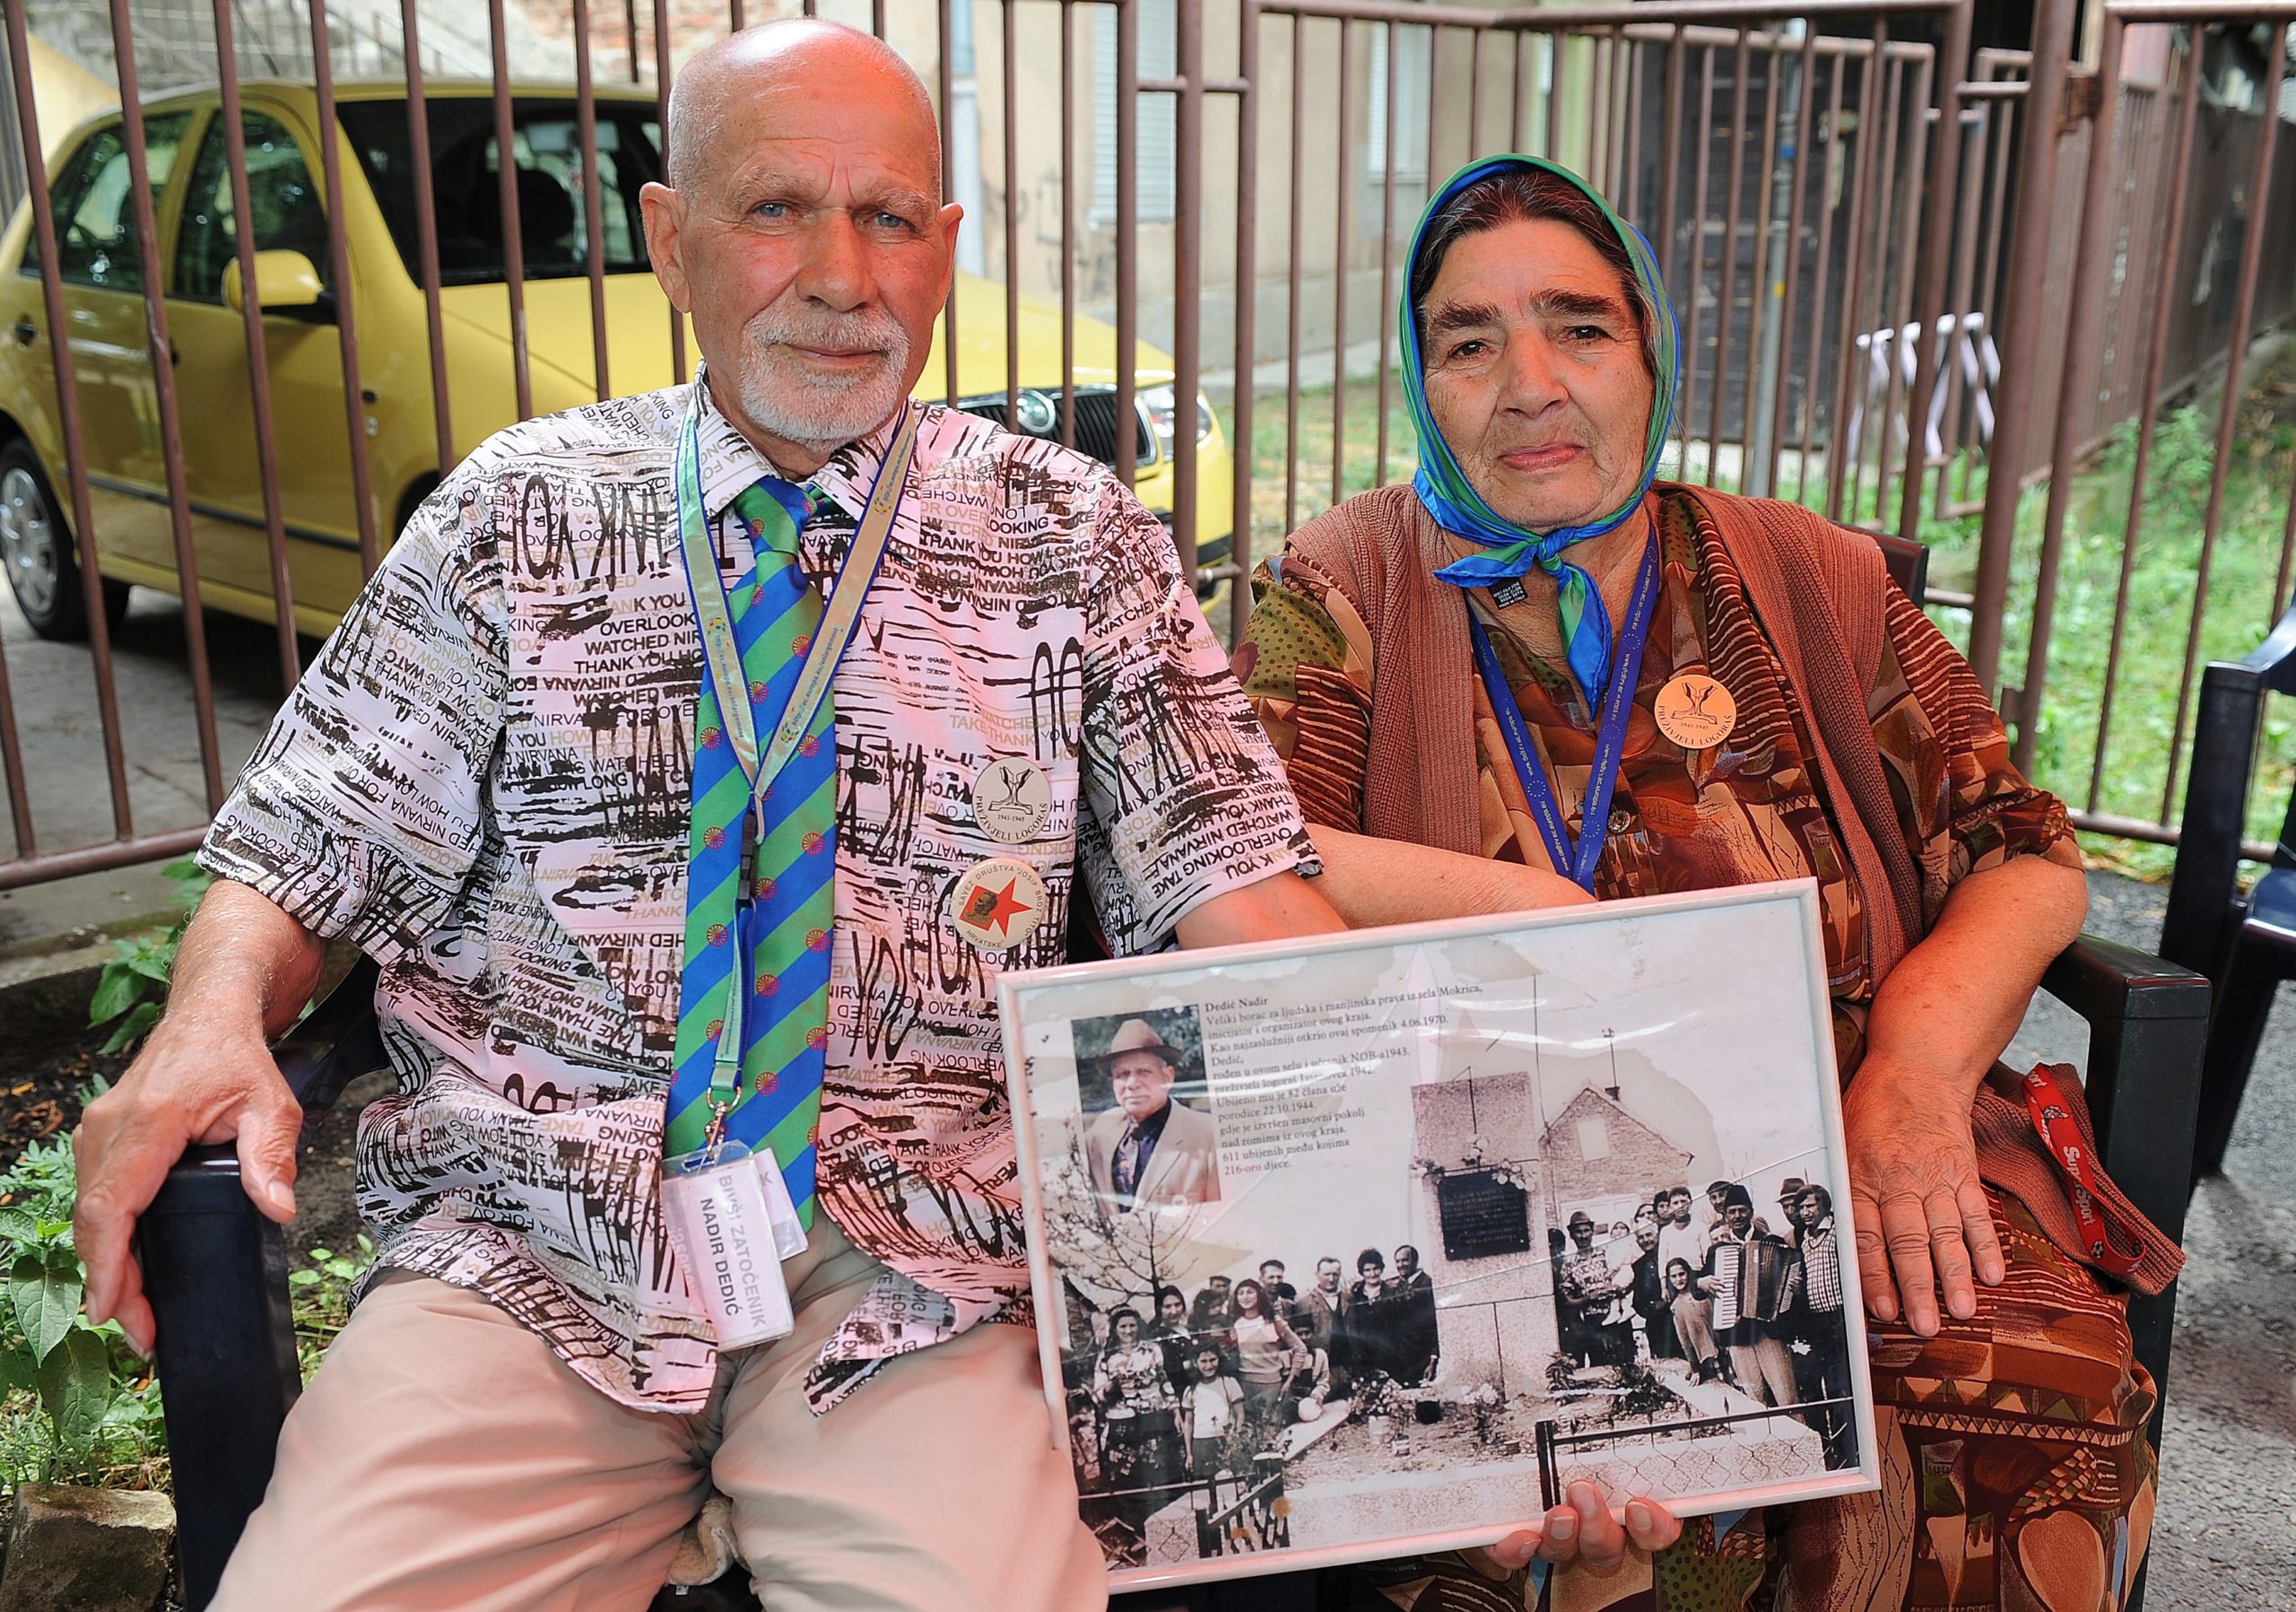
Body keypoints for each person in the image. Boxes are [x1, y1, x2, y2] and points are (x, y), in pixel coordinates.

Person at [70, 22, 1352, 1609]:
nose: (840, 273)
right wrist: (209, 1019)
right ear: (670, 240)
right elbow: (308, 841)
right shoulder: (516, 511)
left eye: (888, 217)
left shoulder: (1070, 536)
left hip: (919, 1274)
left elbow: (1234, 888)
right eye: (774, 211)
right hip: (532, 1260)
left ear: (944, 249)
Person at [1239, 150, 2172, 1605]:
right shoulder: (1350, 579)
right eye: (1469, 343)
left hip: (1845, 1137)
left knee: (2029, 1384)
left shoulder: (1809, 578)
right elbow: (1242, 847)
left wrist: (1918, 1076)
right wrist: (1537, 912)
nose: (1529, 381)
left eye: (1579, 326)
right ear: (1424, 384)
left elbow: (2022, 851)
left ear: (1651, 347)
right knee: (1513, 1471)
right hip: (1501, 1165)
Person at [1083, 1019, 1223, 1211]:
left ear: (1168, 1077)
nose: (1132, 1083)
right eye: (1122, 1074)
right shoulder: (1101, 1132)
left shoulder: (1207, 1135)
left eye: (1143, 1072)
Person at [1698, 1186, 1801, 1410]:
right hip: (1737, 1335)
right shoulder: (1718, 1251)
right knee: (1755, 1401)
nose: (1737, 1216)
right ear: (1724, 1216)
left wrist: (1793, 1288)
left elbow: (1792, 1286)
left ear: (1751, 1212)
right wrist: (1701, 1282)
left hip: (1770, 1332)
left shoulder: (1773, 1241)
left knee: (1787, 1398)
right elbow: (1697, 1288)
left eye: (1742, 1210)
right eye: (1732, 1211)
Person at [1091, 1307, 1181, 1538]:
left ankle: (1165, 1528)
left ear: (1138, 1326)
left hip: (1154, 1417)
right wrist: (1111, 1387)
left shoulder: (1152, 1350)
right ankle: (1136, 1532)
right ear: (1115, 1329)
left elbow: (1165, 1383)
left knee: (1158, 1469)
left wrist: (1175, 1411)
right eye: (1123, 1326)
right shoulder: (1107, 1357)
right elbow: (1097, 1395)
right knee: (1128, 1476)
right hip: (1122, 1422)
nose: (1128, 1331)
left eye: (1132, 1325)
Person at [1788, 1185, 1857, 1469]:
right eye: (1801, 1208)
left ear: (1824, 1206)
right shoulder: (1804, 1240)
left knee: (1843, 1387)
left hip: (1839, 1317)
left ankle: (1852, 1450)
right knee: (1821, 1386)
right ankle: (1833, 1451)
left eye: (1810, 1206)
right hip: (1817, 1322)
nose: (1805, 1213)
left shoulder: (1837, 1232)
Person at [1227, 1277, 1309, 1438]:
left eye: (1250, 1292)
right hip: (1244, 1386)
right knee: (1247, 1435)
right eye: (1241, 1293)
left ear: (1259, 1294)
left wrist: (1291, 1378)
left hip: (1271, 1387)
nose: (1245, 1297)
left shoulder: (1273, 1320)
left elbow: (1300, 1348)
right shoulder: (1234, 1323)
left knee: (1270, 1435)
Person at [1555, 1210, 1629, 1367]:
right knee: (1601, 1368)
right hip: (1592, 1325)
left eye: (1586, 1230)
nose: (1583, 1236)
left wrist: (1617, 1289)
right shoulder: (1569, 1266)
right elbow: (1567, 1302)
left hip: (1616, 1320)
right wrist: (1589, 1298)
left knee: (1625, 1366)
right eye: (1578, 1232)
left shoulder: (1607, 1254)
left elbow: (1625, 1280)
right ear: (1572, 1235)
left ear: (1592, 1231)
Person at [1178, 1346, 1247, 1480]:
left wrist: (1235, 1440)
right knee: (1206, 1487)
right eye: (1203, 1361)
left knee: (1229, 1485)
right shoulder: (1191, 1390)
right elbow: (1188, 1424)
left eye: (1212, 1360)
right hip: (1201, 1445)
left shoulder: (1229, 1383)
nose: (1209, 1366)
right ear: (1195, 1363)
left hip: (1225, 1441)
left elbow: (1240, 1414)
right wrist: (1189, 1454)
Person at [1341, 1248, 1399, 1382]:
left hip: (1388, 1355)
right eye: (1367, 1270)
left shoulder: (1392, 1293)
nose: (1372, 1274)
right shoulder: (1355, 1295)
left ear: (1381, 1269)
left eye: (1376, 1269)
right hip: (1363, 1357)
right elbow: (1352, 1327)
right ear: (1362, 1272)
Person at [1627, 1211, 1676, 1360]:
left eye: (1649, 1235)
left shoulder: (1671, 1256)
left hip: (1677, 1319)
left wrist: (1666, 1304)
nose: (1645, 1240)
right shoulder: (1637, 1266)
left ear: (1657, 1235)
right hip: (1656, 1327)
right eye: (1641, 1237)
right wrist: (1650, 1310)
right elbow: (1637, 1302)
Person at [1390, 1243, 1440, 1387]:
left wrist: (1433, 1359)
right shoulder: (1397, 1286)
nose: (1400, 1265)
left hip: (1424, 1360)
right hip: (1404, 1360)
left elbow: (1434, 1324)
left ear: (1415, 1261)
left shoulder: (1427, 1284)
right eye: (1397, 1261)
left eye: (1405, 1260)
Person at [1663, 1258, 1720, 1382]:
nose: (1679, 1279)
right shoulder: (1676, 1306)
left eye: (1681, 1274)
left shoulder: (1704, 1292)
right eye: (1674, 1276)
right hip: (1708, 1360)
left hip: (1725, 1348)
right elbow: (1685, 1342)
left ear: (1688, 1273)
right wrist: (1695, 1369)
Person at [1144, 1284, 1196, 1389]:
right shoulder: (1158, 1337)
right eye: (1167, 1307)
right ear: (1159, 1309)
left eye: (1177, 1305)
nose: (1174, 1311)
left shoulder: (1192, 1329)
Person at [1654, 1185, 1702, 1283]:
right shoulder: (1666, 1232)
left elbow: (1707, 1255)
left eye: (1683, 1202)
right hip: (1675, 1279)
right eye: (1675, 1203)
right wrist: (1664, 1286)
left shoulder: (1699, 1227)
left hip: (1697, 1275)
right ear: (1670, 1207)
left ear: (1690, 1203)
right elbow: (1662, 1260)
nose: (1680, 1206)